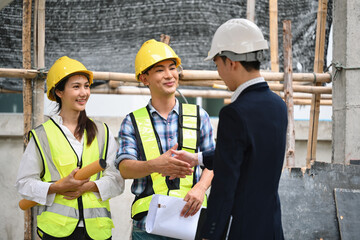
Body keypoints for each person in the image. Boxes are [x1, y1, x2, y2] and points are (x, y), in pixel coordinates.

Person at [173, 18, 288, 240]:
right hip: (272, 227)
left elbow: (225, 185)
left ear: (231, 62)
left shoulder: (234, 113)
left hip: (243, 230)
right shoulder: (278, 105)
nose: (219, 73)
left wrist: (211, 233)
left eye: (217, 65)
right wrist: (197, 158)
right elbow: (249, 154)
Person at [115, 39, 215, 240]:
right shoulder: (132, 121)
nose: (170, 75)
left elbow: (214, 163)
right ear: (144, 78)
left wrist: (201, 187)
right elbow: (124, 169)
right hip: (147, 227)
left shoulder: (199, 115)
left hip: (192, 219)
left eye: (172, 68)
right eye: (160, 70)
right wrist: (156, 165)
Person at [16, 56, 124, 240]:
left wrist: (88, 186)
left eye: (86, 86)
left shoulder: (102, 132)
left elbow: (117, 181)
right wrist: (56, 188)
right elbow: (24, 184)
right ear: (59, 91)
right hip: (57, 232)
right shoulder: (42, 135)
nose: (84, 93)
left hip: (97, 231)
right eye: (76, 87)